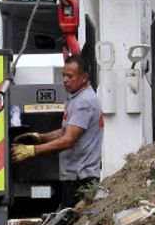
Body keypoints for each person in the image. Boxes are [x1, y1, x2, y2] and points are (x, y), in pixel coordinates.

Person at [11, 57, 104, 210]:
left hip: (81, 179)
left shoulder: (85, 102)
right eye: (63, 75)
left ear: (84, 78)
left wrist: (33, 151)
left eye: (70, 76)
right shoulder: (76, 98)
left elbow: (69, 140)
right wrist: (41, 138)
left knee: (71, 224)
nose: (65, 80)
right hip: (74, 178)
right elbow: (66, 131)